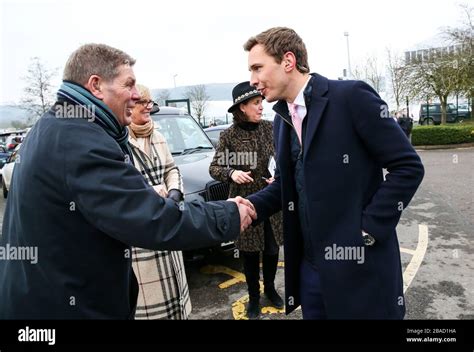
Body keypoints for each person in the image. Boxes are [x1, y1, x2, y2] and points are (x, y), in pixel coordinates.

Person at [0, 43, 255, 319]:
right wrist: (229, 213)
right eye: (129, 85)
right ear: (96, 85)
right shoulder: (81, 141)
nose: (136, 96)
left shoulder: (51, 126)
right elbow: (152, 219)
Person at [238, 27, 424, 319]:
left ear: (288, 61)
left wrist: (368, 230)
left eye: (257, 68)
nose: (252, 80)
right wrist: (251, 206)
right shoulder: (280, 120)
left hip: (362, 272)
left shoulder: (351, 97)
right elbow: (289, 185)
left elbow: (408, 167)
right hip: (311, 275)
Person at [209, 82, 283, 319]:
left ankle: (270, 289)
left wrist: (278, 176)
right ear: (242, 107)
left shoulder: (271, 128)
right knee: (250, 255)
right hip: (244, 204)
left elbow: (282, 160)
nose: (262, 107)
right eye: (256, 103)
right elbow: (215, 168)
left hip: (271, 203)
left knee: (272, 250)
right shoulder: (229, 136)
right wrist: (231, 173)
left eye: (262, 102)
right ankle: (253, 297)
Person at [128, 84, 190, 320]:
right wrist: (150, 192)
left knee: (177, 305)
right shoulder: (118, 142)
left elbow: (171, 169)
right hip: (142, 237)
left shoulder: (159, 136)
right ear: (129, 105)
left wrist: (175, 192)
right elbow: (119, 190)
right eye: (142, 102)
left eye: (150, 102)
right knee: (150, 309)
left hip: (168, 224)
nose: (148, 107)